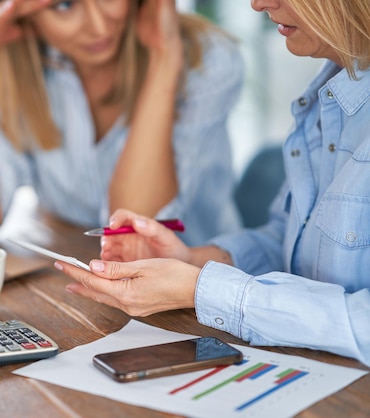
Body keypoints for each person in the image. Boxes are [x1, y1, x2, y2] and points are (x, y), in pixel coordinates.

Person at [55, 0, 370, 366]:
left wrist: (200, 289)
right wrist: (194, 261)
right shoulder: (328, 96)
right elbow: (290, 245)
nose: (258, 4)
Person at [0, 0, 243, 245]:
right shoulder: (13, 71)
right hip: (77, 272)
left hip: (195, 293)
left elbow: (134, 227)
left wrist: (164, 59)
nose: (98, 26)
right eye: (63, 5)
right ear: (19, 12)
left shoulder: (207, 60)